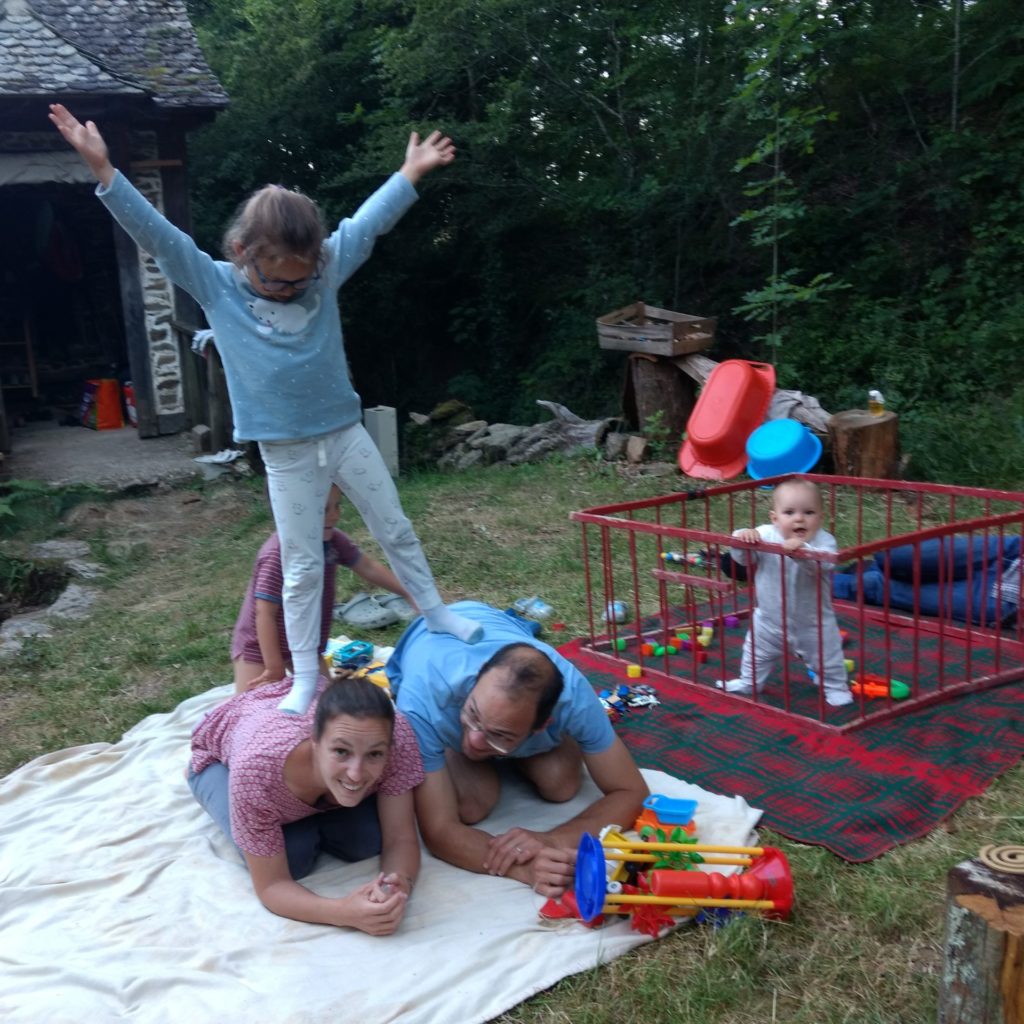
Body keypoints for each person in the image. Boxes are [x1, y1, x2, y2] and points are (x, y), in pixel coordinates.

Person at [49, 103, 482, 718]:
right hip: (286, 452)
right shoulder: (215, 283)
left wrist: (410, 173)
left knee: (395, 527)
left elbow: (366, 225)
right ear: (241, 252)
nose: (291, 290)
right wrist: (105, 172)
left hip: (344, 432)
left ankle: (436, 614)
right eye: (279, 282)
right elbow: (158, 236)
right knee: (302, 565)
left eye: (300, 281)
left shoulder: (321, 272)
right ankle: (303, 675)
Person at [386, 601, 650, 899]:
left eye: (500, 735)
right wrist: (523, 866)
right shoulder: (421, 699)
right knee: (472, 805)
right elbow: (439, 830)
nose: (474, 741)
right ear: (476, 681)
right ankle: (484, 734)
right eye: (472, 714)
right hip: (437, 633)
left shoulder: (574, 695)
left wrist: (552, 841)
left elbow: (632, 791)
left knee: (560, 785)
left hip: (503, 667)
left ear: (542, 724)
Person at [188, 675, 423, 934]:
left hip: (301, 763)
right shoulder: (255, 772)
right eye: (341, 752)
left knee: (365, 841)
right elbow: (271, 886)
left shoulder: (397, 736)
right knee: (294, 857)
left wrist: (397, 886)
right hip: (220, 760)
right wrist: (343, 913)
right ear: (315, 741)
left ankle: (313, 806)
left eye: (375, 754)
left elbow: (400, 838)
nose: (356, 773)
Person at [232, 484, 416, 692]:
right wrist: (274, 668)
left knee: (326, 703)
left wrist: (409, 592)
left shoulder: (332, 541)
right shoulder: (278, 554)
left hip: (306, 643)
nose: (334, 515)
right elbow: (264, 614)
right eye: (323, 509)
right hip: (260, 647)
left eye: (337, 505)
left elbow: (367, 566)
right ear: (288, 512)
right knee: (249, 703)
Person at [717, 479, 854, 707]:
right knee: (754, 654)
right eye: (789, 512)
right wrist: (742, 539)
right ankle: (749, 682)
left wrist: (803, 552)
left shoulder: (824, 541)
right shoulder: (765, 535)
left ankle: (835, 686)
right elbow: (743, 560)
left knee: (827, 658)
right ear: (775, 518)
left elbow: (824, 565)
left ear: (820, 518)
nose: (799, 519)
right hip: (768, 621)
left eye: (808, 512)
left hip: (813, 623)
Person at [833, 535, 1021, 626]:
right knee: (895, 557)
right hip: (1015, 552)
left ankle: (840, 580)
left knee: (874, 584)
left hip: (1008, 599)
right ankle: (877, 567)